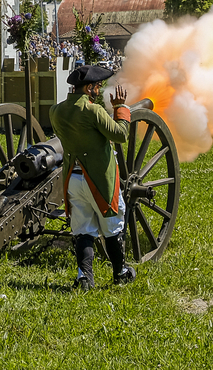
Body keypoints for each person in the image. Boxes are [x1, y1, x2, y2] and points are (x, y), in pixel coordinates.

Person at [49, 64, 135, 290]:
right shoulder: (93, 110)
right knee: (112, 225)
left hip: (72, 178)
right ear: (87, 88)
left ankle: (84, 277)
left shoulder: (56, 111)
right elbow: (120, 134)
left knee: (83, 229)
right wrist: (121, 108)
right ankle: (120, 273)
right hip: (97, 178)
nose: (98, 90)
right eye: (96, 86)